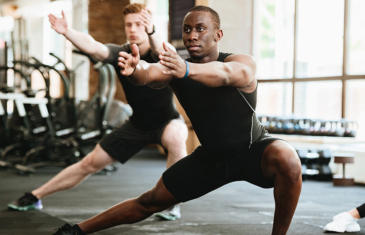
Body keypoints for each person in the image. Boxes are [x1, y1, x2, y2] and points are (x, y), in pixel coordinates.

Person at [53, 5, 302, 235]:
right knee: (149, 201)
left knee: (286, 157)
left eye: (200, 29)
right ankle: (78, 230)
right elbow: (149, 73)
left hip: (252, 150)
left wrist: (185, 70)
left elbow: (227, 74)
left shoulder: (239, 62)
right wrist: (134, 70)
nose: (192, 35)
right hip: (211, 158)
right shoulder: (175, 68)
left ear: (218, 35)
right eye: (187, 29)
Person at [7, 3, 188, 221]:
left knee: (177, 137)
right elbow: (94, 47)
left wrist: (152, 32)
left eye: (138, 24)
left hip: (167, 121)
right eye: (128, 24)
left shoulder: (162, 48)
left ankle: (171, 203)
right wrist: (67, 32)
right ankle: (35, 196)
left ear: (149, 24)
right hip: (137, 124)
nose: (132, 29)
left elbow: (161, 53)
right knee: (89, 163)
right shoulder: (121, 52)